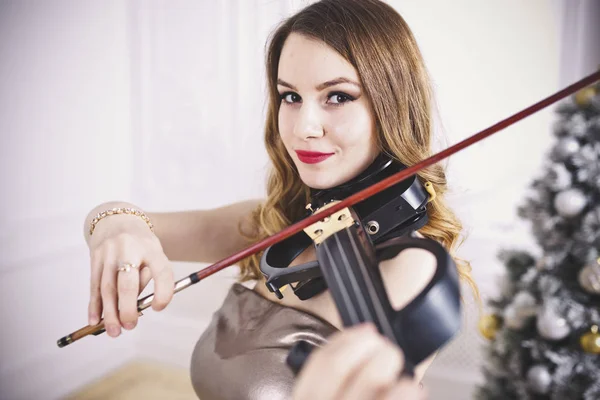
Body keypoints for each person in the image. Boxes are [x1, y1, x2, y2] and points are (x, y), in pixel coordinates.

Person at [82, 0, 477, 399]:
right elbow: (126, 219)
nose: (303, 127)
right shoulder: (282, 222)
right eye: (290, 97)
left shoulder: (409, 267)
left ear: (391, 105)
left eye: (338, 96)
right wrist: (117, 227)